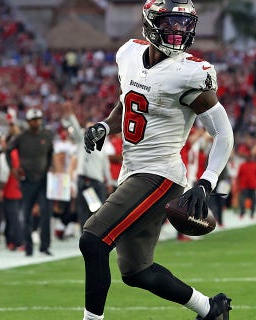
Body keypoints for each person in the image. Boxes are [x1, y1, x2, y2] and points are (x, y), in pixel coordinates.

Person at [80, 1, 234, 319]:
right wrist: (106, 126)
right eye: (171, 23)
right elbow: (130, 101)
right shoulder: (130, 54)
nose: (178, 31)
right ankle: (210, 308)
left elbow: (223, 133)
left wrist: (207, 181)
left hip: (160, 172)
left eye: (184, 24)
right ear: (150, 23)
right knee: (137, 271)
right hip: (134, 171)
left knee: (93, 240)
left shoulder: (190, 72)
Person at [6, 107, 55, 256]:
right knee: (26, 213)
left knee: (46, 212)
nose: (36, 122)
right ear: (28, 122)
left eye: (38, 119)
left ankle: (45, 246)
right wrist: (13, 168)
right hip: (27, 179)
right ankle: (28, 247)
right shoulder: (21, 137)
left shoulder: (46, 136)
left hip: (43, 179)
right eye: (33, 120)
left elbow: (51, 153)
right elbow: (8, 150)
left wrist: (49, 168)